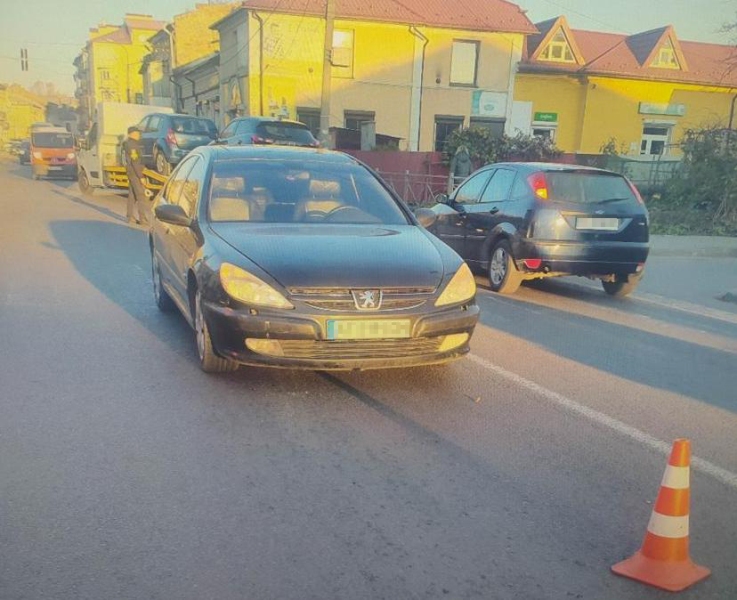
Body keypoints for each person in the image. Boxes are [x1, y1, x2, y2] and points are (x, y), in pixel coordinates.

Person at [124, 126, 149, 225]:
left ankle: (130, 216)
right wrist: (141, 177)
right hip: (135, 173)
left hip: (131, 172)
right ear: (131, 134)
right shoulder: (132, 145)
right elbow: (135, 161)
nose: (139, 134)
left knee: (132, 195)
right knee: (141, 195)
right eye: (137, 133)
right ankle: (142, 218)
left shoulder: (130, 144)